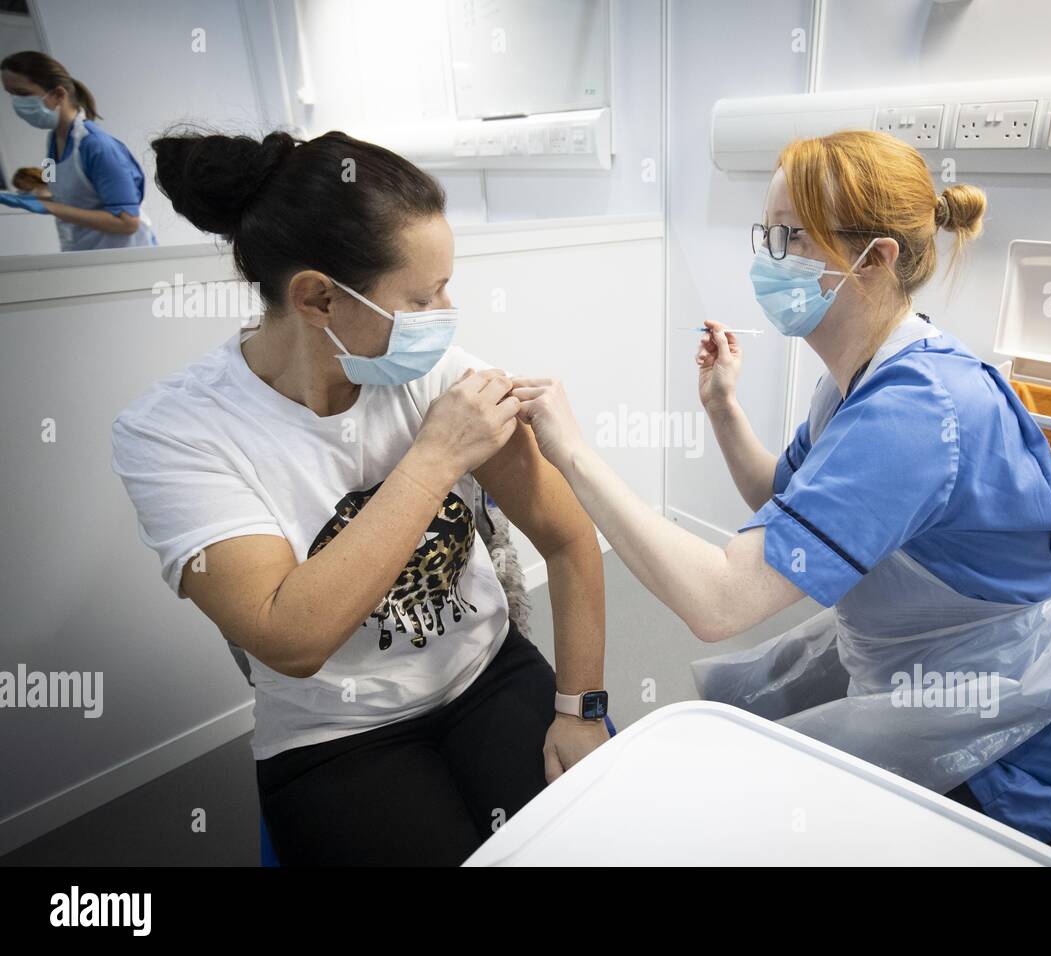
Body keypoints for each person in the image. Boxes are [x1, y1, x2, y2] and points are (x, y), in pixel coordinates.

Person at [511, 129, 1051, 865]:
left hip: (1049, 739)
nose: (767, 259)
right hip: (952, 669)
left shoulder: (917, 412)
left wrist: (570, 452)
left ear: (875, 259)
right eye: (767, 234)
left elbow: (720, 601)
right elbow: (784, 502)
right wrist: (724, 408)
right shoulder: (859, 379)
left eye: (790, 238)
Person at [110, 129, 609, 865]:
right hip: (334, 737)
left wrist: (581, 708)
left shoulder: (438, 373)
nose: (445, 313)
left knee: (588, 845)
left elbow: (568, 540)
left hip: (486, 673)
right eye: (421, 295)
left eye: (446, 285)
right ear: (317, 298)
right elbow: (292, 637)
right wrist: (434, 457)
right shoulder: (176, 434)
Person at [0, 51, 155, 250]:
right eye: (10, 94)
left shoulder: (97, 146)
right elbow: (52, 188)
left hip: (125, 258)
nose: (16, 103)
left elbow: (127, 222)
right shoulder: (52, 140)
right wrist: (30, 197)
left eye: (22, 93)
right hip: (84, 253)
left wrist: (50, 206)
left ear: (58, 95)